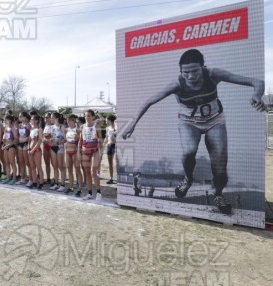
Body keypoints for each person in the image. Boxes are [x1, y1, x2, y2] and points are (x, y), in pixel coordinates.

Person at [122, 49, 265, 215]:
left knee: (220, 166)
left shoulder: (213, 74)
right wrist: (133, 124)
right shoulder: (177, 84)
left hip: (214, 120)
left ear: (203, 67)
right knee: (189, 151)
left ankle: (218, 194)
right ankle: (188, 178)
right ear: (181, 71)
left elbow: (257, 82)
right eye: (186, 72)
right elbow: (149, 101)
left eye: (195, 71)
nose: (190, 76)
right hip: (189, 122)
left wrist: (257, 95)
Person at [103, 114, 117, 184]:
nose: (106, 121)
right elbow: (106, 137)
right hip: (109, 145)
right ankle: (111, 178)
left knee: (118, 163)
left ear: (110, 120)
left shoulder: (117, 127)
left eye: (106, 120)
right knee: (110, 163)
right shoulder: (107, 128)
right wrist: (103, 144)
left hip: (116, 145)